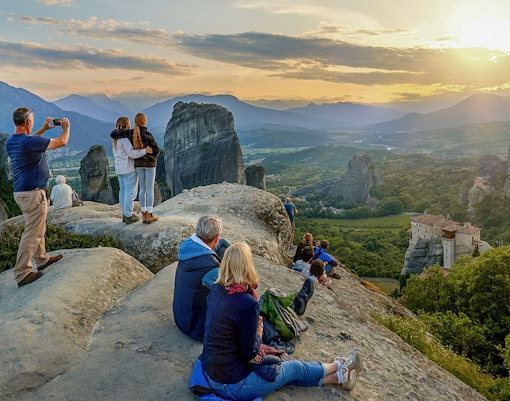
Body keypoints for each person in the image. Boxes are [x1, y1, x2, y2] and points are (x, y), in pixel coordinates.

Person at [201, 242, 362, 400]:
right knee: (294, 368)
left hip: (213, 371)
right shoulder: (246, 303)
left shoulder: (217, 290)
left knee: (287, 374)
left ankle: (339, 378)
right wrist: (258, 332)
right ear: (247, 266)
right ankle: (339, 366)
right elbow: (249, 353)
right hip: (233, 385)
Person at [6, 108, 69, 287]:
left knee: (36, 226)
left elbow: (29, 140)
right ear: (28, 122)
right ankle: (22, 273)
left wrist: (43, 129)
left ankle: (41, 258)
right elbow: (62, 142)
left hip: (22, 192)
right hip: (33, 193)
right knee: (32, 233)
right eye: (32, 120)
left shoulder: (12, 141)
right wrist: (66, 127)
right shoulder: (30, 142)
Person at [172, 214, 225, 341]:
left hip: (182, 316)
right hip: (196, 327)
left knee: (222, 250)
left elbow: (220, 244)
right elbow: (229, 292)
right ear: (217, 237)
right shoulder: (209, 266)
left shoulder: (188, 246)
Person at [110, 117, 152, 224]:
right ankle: (128, 215)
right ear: (125, 125)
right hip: (128, 168)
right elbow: (132, 153)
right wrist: (144, 151)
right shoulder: (124, 139)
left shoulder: (115, 138)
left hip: (119, 168)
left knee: (123, 192)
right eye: (128, 123)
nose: (130, 125)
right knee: (130, 193)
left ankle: (125, 214)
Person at [131, 113, 160, 224]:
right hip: (149, 164)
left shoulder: (133, 134)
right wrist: (152, 153)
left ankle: (143, 214)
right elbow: (156, 149)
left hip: (138, 163)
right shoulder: (147, 134)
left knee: (142, 189)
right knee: (149, 189)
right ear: (144, 121)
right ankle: (150, 214)